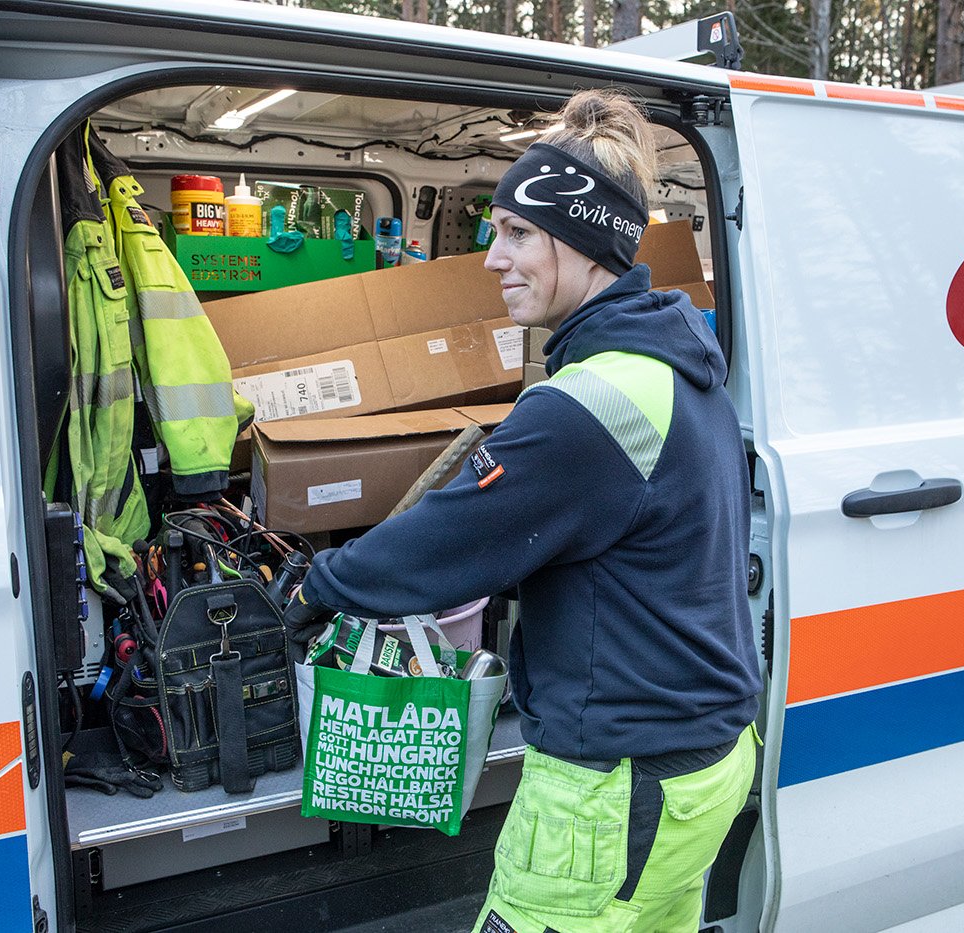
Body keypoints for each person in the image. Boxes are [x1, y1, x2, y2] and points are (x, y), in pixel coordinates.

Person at [287, 88, 762, 932]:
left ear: (584, 242)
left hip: (611, 791)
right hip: (704, 766)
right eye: (494, 229)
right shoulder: (681, 364)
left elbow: (452, 540)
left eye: (516, 234)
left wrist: (320, 583)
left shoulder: (588, 403)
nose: (491, 257)